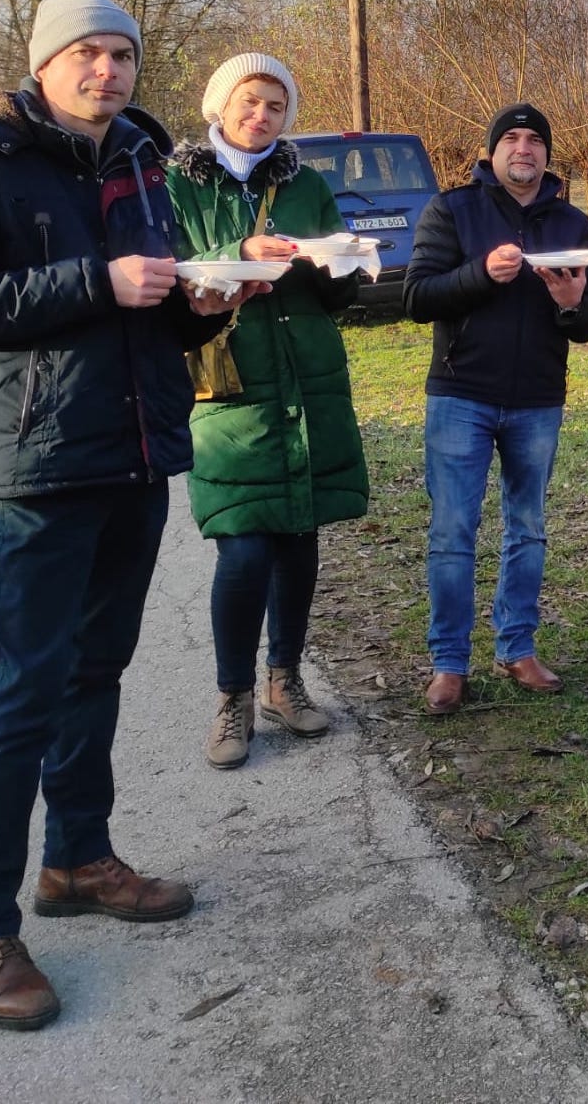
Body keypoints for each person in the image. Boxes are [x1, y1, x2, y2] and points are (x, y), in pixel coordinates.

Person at [0, 0, 263, 1030]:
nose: (106, 71)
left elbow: (137, 312)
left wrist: (198, 305)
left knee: (97, 672)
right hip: (35, 463)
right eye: (85, 54)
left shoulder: (141, 156)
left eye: (120, 54)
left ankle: (76, 859)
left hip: (135, 452)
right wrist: (100, 280)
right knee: (24, 692)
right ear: (45, 63)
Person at [168, 52, 370, 769]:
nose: (261, 116)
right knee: (245, 543)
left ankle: (285, 680)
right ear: (219, 105)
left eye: (276, 107)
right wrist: (237, 252)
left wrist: (341, 262)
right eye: (249, 102)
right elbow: (170, 278)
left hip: (307, 381)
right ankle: (233, 696)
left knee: (298, 535)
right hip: (229, 387)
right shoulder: (174, 185)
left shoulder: (306, 183)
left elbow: (338, 296)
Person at [404, 103, 588, 715]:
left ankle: (517, 646)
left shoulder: (572, 223)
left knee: (528, 528)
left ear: (547, 155)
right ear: (492, 152)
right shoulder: (452, 209)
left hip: (538, 399)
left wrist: (572, 302)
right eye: (511, 139)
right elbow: (416, 297)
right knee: (452, 531)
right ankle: (448, 664)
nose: (524, 149)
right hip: (461, 394)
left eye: (535, 140)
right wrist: (480, 274)